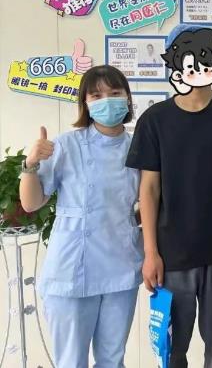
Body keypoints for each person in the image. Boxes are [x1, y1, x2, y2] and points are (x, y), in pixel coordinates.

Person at [126, 24, 212, 368]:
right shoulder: (155, 120)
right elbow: (148, 190)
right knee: (172, 351)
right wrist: (151, 253)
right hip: (171, 253)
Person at [20, 65, 141, 368]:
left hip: (121, 267)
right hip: (71, 271)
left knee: (113, 360)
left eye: (115, 93)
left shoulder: (138, 147)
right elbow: (31, 203)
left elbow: (150, 202)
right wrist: (30, 164)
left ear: (127, 98)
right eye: (97, 95)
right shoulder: (65, 145)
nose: (107, 100)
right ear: (85, 103)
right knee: (71, 362)